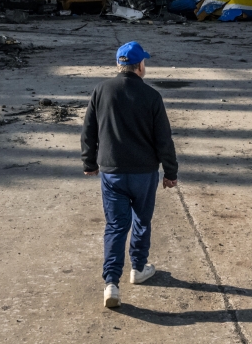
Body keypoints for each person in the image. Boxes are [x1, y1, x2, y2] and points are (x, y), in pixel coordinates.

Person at [81, 41, 179, 309]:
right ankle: (138, 268)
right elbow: (164, 140)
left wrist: (89, 163)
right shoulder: (151, 96)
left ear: (118, 65)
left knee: (115, 225)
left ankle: (111, 283)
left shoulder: (101, 91)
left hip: (112, 172)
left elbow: (89, 130)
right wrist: (170, 172)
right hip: (143, 173)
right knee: (142, 221)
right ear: (139, 66)